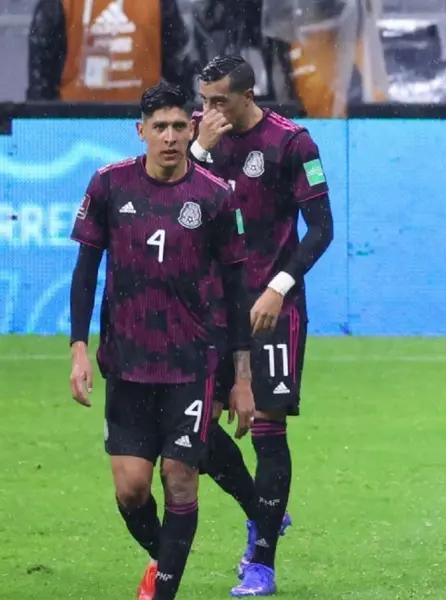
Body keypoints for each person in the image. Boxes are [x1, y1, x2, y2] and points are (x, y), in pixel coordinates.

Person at [68, 81, 250, 600]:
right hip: (125, 365)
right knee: (130, 490)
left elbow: (237, 292)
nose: (170, 137)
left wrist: (240, 378)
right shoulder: (109, 185)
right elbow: (85, 272)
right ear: (141, 131)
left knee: (180, 478)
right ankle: (163, 556)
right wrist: (78, 348)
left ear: (192, 128)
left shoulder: (215, 196)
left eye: (178, 127)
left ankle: (162, 590)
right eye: (160, 127)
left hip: (191, 365)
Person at [190, 54, 335, 596]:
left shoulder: (291, 143)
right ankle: (261, 509)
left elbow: (322, 229)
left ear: (247, 95)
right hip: (209, 309)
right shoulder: (199, 141)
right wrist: (199, 147)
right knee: (196, 432)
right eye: (202, 100)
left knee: (269, 431)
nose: (208, 110)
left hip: (271, 308)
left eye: (218, 100)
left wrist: (279, 285)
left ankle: (262, 562)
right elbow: (172, 200)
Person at [27, 0, 194, 102]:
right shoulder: (57, 4)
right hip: (79, 125)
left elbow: (40, 86)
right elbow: (180, 74)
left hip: (139, 126)